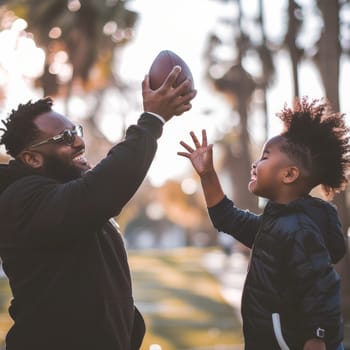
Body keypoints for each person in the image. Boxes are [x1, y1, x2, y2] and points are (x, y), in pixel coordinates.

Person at [0, 66, 196, 350]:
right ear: (31, 159)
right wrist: (152, 120)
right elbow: (102, 188)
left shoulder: (66, 197)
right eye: (64, 138)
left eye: (75, 131)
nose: (79, 141)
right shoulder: (21, 200)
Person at [178, 97, 348, 350]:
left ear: (289, 174)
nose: (255, 163)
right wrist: (207, 174)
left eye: (265, 157)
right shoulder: (274, 225)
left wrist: (317, 339)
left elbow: (322, 290)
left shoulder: (299, 230)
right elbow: (226, 217)